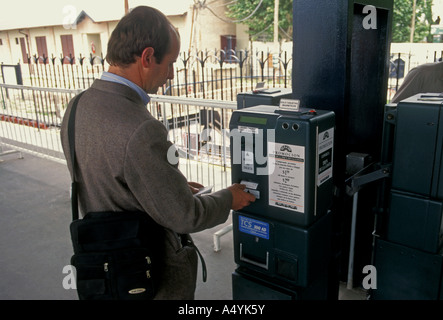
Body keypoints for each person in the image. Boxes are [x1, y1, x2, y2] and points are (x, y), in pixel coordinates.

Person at [60, 6, 255, 299]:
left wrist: (164, 186)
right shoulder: (140, 128)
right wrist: (230, 198)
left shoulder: (77, 107)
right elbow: (185, 216)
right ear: (148, 57)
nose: (172, 74)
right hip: (149, 277)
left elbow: (105, 180)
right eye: (171, 63)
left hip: (104, 268)